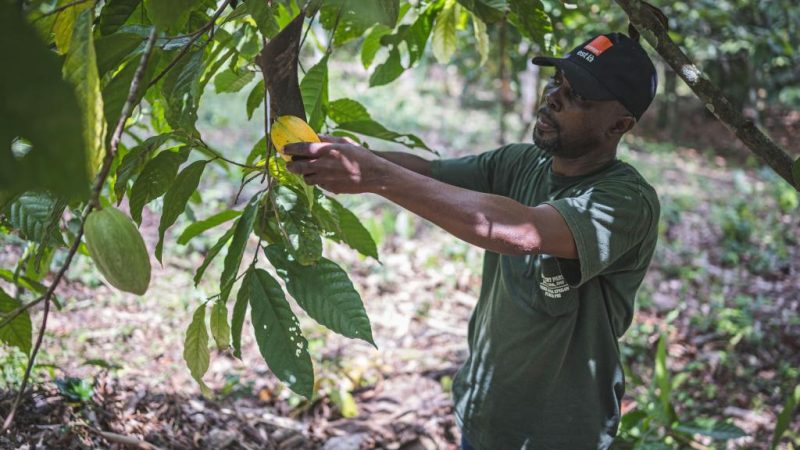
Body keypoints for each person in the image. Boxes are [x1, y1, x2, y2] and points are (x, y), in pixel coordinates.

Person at [285, 32, 661, 450]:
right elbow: (430, 173)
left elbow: (523, 231)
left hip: (559, 433)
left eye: (578, 97)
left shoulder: (625, 200)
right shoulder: (522, 162)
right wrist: (350, 158)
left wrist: (375, 175)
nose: (553, 97)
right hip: (485, 413)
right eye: (557, 82)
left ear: (620, 125)